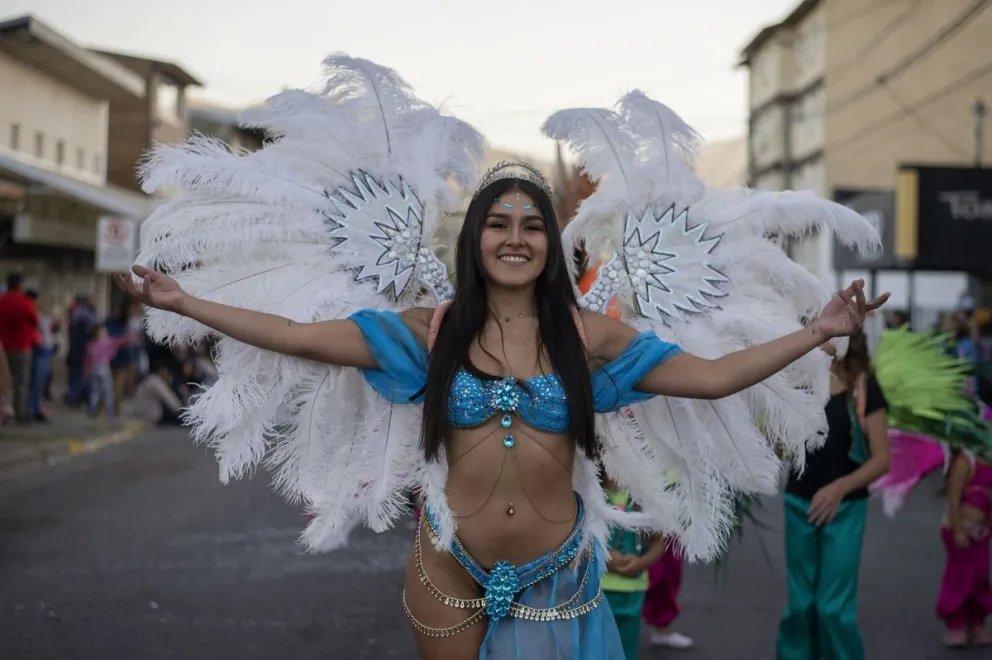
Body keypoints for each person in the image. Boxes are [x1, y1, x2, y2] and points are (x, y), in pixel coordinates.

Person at [114, 56, 885, 660]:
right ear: (475, 238)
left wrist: (818, 332)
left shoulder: (591, 339)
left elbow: (714, 378)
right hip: (450, 571)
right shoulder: (429, 330)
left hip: (557, 574)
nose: (515, 236)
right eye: (498, 223)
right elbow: (297, 333)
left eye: (533, 225)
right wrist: (185, 302)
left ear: (550, 245)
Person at [776, 329, 892, 660]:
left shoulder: (864, 388)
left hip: (845, 510)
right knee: (801, 606)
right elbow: (783, 448)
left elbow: (882, 460)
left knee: (833, 609)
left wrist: (839, 488)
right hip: (799, 504)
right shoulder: (799, 383)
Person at [601, 469, 667, 660]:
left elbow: (658, 543)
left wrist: (641, 562)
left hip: (632, 591)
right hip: (595, 589)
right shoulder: (589, 495)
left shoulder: (644, 498)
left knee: (625, 649)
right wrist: (602, 554)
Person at [938, 450, 992, 647]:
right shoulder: (965, 461)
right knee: (959, 577)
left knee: (980, 577)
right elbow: (953, 499)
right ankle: (955, 623)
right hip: (960, 528)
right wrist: (958, 531)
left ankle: (976, 621)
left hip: (982, 532)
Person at [0, 272, 38, 422]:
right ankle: (19, 413)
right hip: (22, 347)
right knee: (21, 381)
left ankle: (4, 411)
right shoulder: (25, 302)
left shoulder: (2, 301)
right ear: (20, 284)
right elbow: (34, 321)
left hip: (4, 346)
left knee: (3, 380)